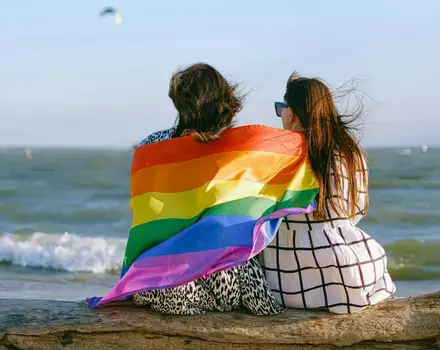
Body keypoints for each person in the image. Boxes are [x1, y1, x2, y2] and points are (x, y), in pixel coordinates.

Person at [132, 63, 283, 315]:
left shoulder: (151, 147)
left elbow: (145, 215)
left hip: (162, 274)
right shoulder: (235, 153)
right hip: (224, 276)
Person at [261, 73, 396, 314]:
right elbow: (355, 211)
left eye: (280, 108)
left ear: (291, 114)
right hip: (349, 281)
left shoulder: (279, 154)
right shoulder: (349, 153)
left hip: (284, 283)